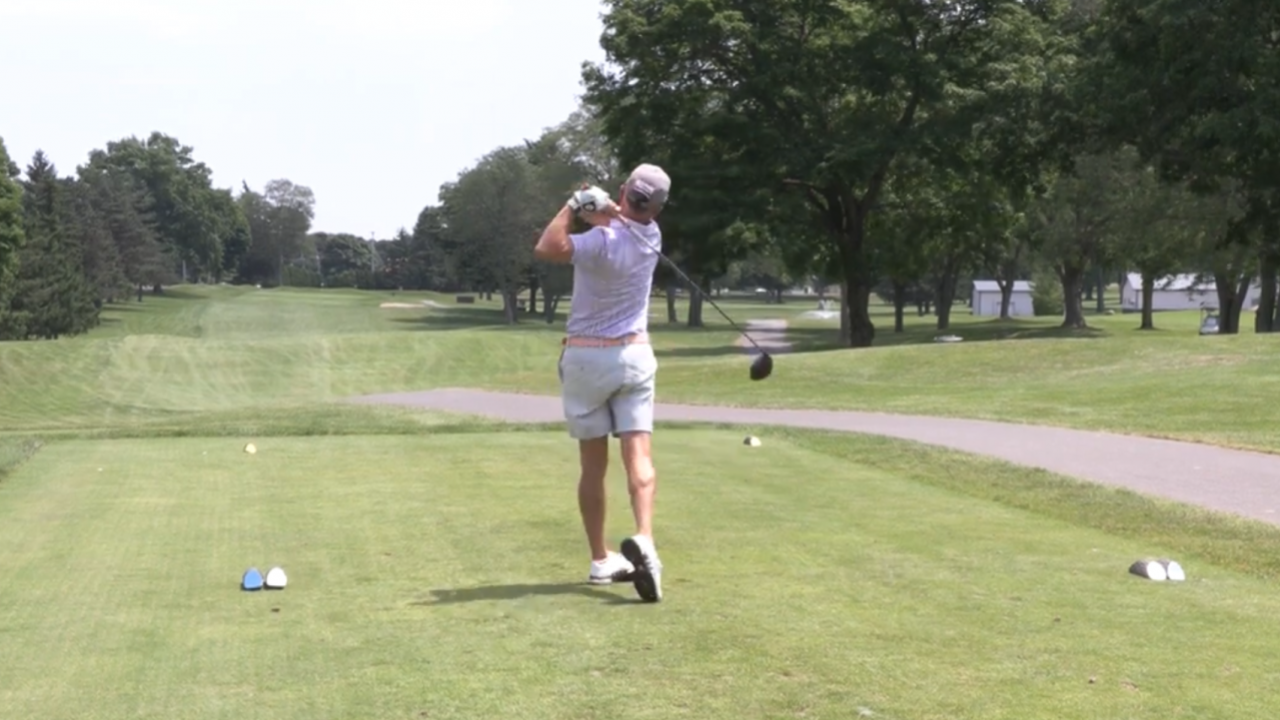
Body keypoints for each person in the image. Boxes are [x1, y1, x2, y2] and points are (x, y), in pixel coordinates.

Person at [532, 163, 671, 603]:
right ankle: (645, 539)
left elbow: (548, 246)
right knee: (639, 454)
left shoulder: (597, 244)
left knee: (593, 466)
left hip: (586, 358)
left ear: (624, 190)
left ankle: (599, 558)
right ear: (658, 208)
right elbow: (621, 222)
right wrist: (606, 210)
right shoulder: (652, 238)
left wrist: (574, 205)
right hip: (633, 356)